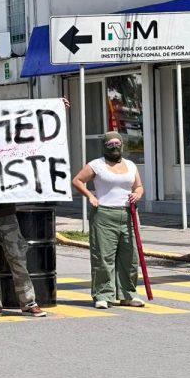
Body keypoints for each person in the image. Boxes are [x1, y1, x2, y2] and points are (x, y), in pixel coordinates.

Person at [72, 131, 145, 309]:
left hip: (128, 215)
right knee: (104, 257)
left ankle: (128, 294)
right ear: (104, 146)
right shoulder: (96, 165)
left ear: (122, 145)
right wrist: (90, 196)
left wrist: (137, 194)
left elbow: (138, 186)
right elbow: (78, 180)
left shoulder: (130, 165)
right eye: (110, 144)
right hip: (104, 214)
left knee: (129, 257)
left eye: (117, 144)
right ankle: (102, 294)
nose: (114, 147)